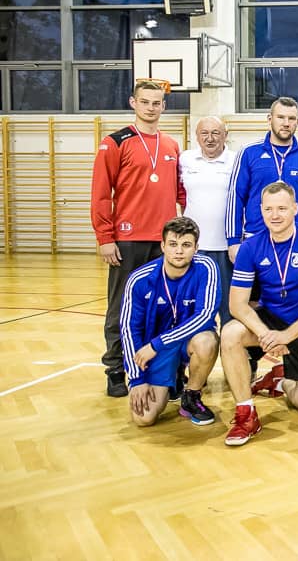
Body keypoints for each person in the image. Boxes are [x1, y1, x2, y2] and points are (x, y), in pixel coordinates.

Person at [220, 182, 298, 446]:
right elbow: (237, 305)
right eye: (269, 209)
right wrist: (266, 335)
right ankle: (246, 414)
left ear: (295, 208)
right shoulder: (251, 246)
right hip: (270, 319)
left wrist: (286, 336)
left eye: (282, 209)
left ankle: (280, 381)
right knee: (230, 333)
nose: (275, 215)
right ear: (261, 210)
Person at [91, 78, 185, 398]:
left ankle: (164, 369)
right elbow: (101, 194)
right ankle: (116, 369)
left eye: (156, 103)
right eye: (144, 101)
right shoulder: (115, 142)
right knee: (122, 305)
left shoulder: (171, 145)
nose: (150, 108)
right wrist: (105, 236)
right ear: (133, 103)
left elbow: (181, 192)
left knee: (165, 306)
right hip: (127, 239)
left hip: (165, 242)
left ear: (164, 106)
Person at [120, 217, 220, 427]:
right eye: (173, 244)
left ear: (196, 248)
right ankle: (173, 377)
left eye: (186, 245)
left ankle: (191, 397)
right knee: (144, 418)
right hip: (156, 350)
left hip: (179, 343)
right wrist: (137, 379)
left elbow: (205, 315)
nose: (179, 251)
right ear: (163, 246)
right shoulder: (139, 279)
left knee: (207, 341)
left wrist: (158, 344)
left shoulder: (206, 267)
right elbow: (129, 330)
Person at [226, 96, 298, 262]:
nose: (286, 123)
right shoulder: (249, 152)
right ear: (270, 119)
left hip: (297, 242)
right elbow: (235, 197)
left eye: (291, 118)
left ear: (297, 122)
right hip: (256, 238)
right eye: (281, 117)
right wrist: (233, 240)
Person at [180, 116, 236, 326]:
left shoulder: (236, 160)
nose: (210, 138)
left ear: (225, 136)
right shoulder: (185, 159)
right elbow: (178, 194)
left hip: (226, 248)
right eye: (204, 133)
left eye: (215, 133)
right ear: (196, 136)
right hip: (194, 248)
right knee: (196, 308)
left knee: (229, 309)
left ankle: (231, 346)